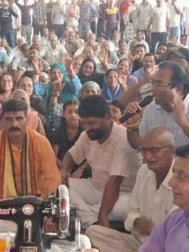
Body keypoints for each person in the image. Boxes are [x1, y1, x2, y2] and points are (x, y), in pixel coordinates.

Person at [87, 126, 176, 252]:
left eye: (154, 150)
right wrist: (137, 222)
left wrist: (152, 230)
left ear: (171, 150)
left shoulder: (180, 180)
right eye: (144, 150)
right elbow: (132, 210)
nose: (148, 157)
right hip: (137, 243)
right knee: (92, 232)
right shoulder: (144, 172)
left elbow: (174, 235)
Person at [59, 95, 141, 229]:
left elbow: (115, 181)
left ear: (108, 117)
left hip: (123, 193)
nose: (87, 128)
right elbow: (70, 156)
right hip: (95, 187)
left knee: (118, 210)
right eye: (84, 123)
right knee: (61, 189)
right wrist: (63, 171)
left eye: (91, 123)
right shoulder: (87, 135)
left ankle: (84, 217)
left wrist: (103, 214)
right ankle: (93, 223)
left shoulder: (122, 138)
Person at [0, 99, 59, 203]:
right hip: (0, 202)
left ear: (27, 120)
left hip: (36, 201)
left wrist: (49, 208)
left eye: (19, 118)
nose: (14, 124)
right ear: (3, 121)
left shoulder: (41, 143)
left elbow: (52, 179)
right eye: (9, 119)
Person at [124, 61, 189, 149]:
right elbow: (139, 146)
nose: (152, 89)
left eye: (159, 84)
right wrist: (133, 125)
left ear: (178, 89)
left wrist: (184, 123)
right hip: (155, 167)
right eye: (153, 83)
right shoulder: (151, 108)